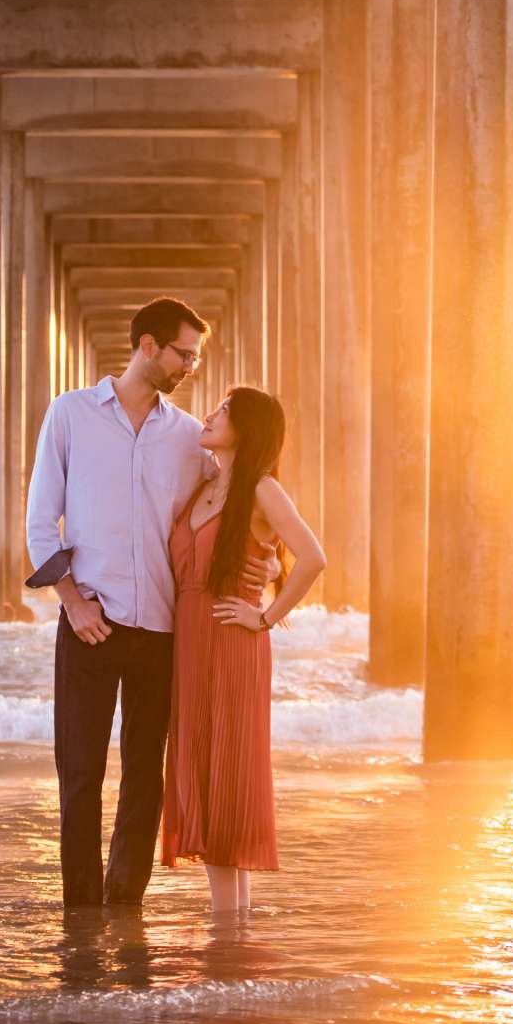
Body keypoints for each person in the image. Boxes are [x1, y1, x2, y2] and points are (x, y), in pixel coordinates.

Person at [25, 297, 275, 911]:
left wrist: (265, 561)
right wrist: (73, 601)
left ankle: (124, 910)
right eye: (183, 353)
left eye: (195, 354)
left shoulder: (191, 437)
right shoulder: (71, 415)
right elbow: (39, 525)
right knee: (80, 776)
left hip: (163, 632)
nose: (191, 365)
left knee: (146, 781)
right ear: (147, 346)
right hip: (89, 623)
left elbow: (242, 500)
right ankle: (82, 915)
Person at [161, 386, 326, 915]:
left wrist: (266, 617)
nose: (210, 414)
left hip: (233, 641)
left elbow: (314, 558)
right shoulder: (203, 486)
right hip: (189, 644)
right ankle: (233, 927)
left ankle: (226, 923)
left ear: (248, 427)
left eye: (224, 410)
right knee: (203, 770)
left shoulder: (261, 489)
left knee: (226, 770)